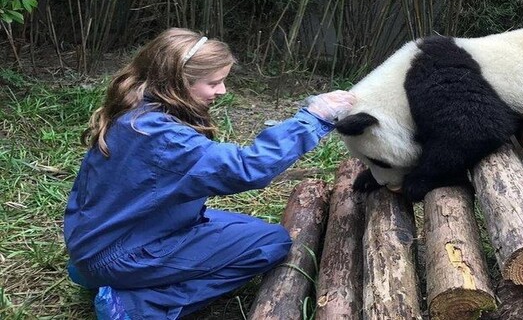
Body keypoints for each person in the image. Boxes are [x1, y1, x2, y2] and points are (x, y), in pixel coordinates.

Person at [63, 28, 355, 319]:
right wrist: (313, 118)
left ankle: (97, 272)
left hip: (98, 239)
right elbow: (248, 167)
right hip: (121, 253)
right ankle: (137, 306)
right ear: (176, 83)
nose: (222, 91)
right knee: (270, 244)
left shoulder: (135, 112)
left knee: (254, 231)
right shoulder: (164, 138)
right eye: (213, 82)